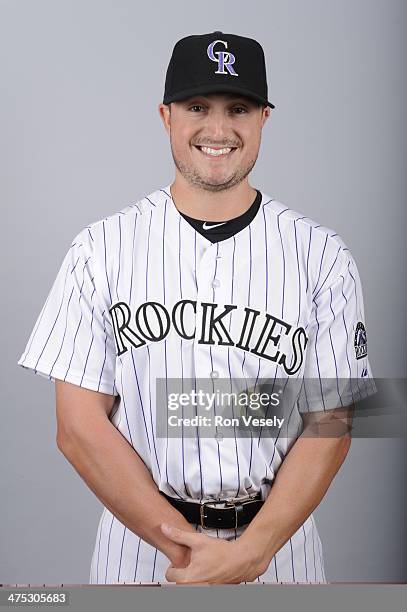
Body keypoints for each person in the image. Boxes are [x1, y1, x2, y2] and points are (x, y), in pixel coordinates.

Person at [17, 31, 375, 584]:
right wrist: (188, 552)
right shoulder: (101, 249)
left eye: (238, 108)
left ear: (264, 120)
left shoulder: (322, 256)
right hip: (140, 549)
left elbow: (331, 422)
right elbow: (77, 426)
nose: (217, 129)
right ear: (166, 117)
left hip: (279, 548)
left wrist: (253, 552)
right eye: (197, 107)